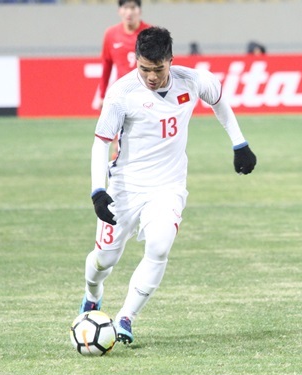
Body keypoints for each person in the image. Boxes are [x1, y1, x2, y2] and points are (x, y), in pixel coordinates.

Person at [80, 27, 257, 344]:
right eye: (144, 68)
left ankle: (126, 317)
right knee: (104, 259)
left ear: (170, 62)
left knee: (159, 246)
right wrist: (98, 190)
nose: (150, 76)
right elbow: (100, 143)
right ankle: (92, 293)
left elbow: (219, 102)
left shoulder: (193, 81)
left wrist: (239, 143)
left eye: (157, 69)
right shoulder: (122, 94)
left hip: (168, 187)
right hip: (125, 187)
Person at [91, 0, 151, 111]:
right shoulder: (111, 34)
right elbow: (106, 66)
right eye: (125, 8)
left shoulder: (150, 33)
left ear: (140, 11)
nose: (129, 12)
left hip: (147, 92)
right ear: (119, 11)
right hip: (122, 93)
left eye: (133, 8)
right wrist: (102, 95)